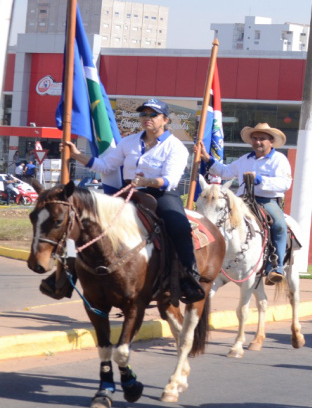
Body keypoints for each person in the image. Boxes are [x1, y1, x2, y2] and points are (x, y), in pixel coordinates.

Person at [65, 99, 205, 303]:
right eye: (143, 114)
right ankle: (69, 274)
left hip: (160, 194)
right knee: (86, 221)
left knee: (179, 227)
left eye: (152, 115)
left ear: (165, 120)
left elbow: (171, 180)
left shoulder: (176, 147)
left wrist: (147, 180)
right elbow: (106, 166)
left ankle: (189, 277)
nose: (146, 118)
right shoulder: (128, 142)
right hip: (129, 192)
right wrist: (77, 155)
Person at [198, 122, 293, 284]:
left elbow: (285, 183)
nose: (258, 142)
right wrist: (207, 158)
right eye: (255, 138)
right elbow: (226, 172)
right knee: (219, 220)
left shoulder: (279, 159)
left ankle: (275, 265)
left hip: (266, 201)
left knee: (279, 225)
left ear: (271, 141)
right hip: (242, 200)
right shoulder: (245, 159)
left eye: (262, 138)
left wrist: (261, 180)